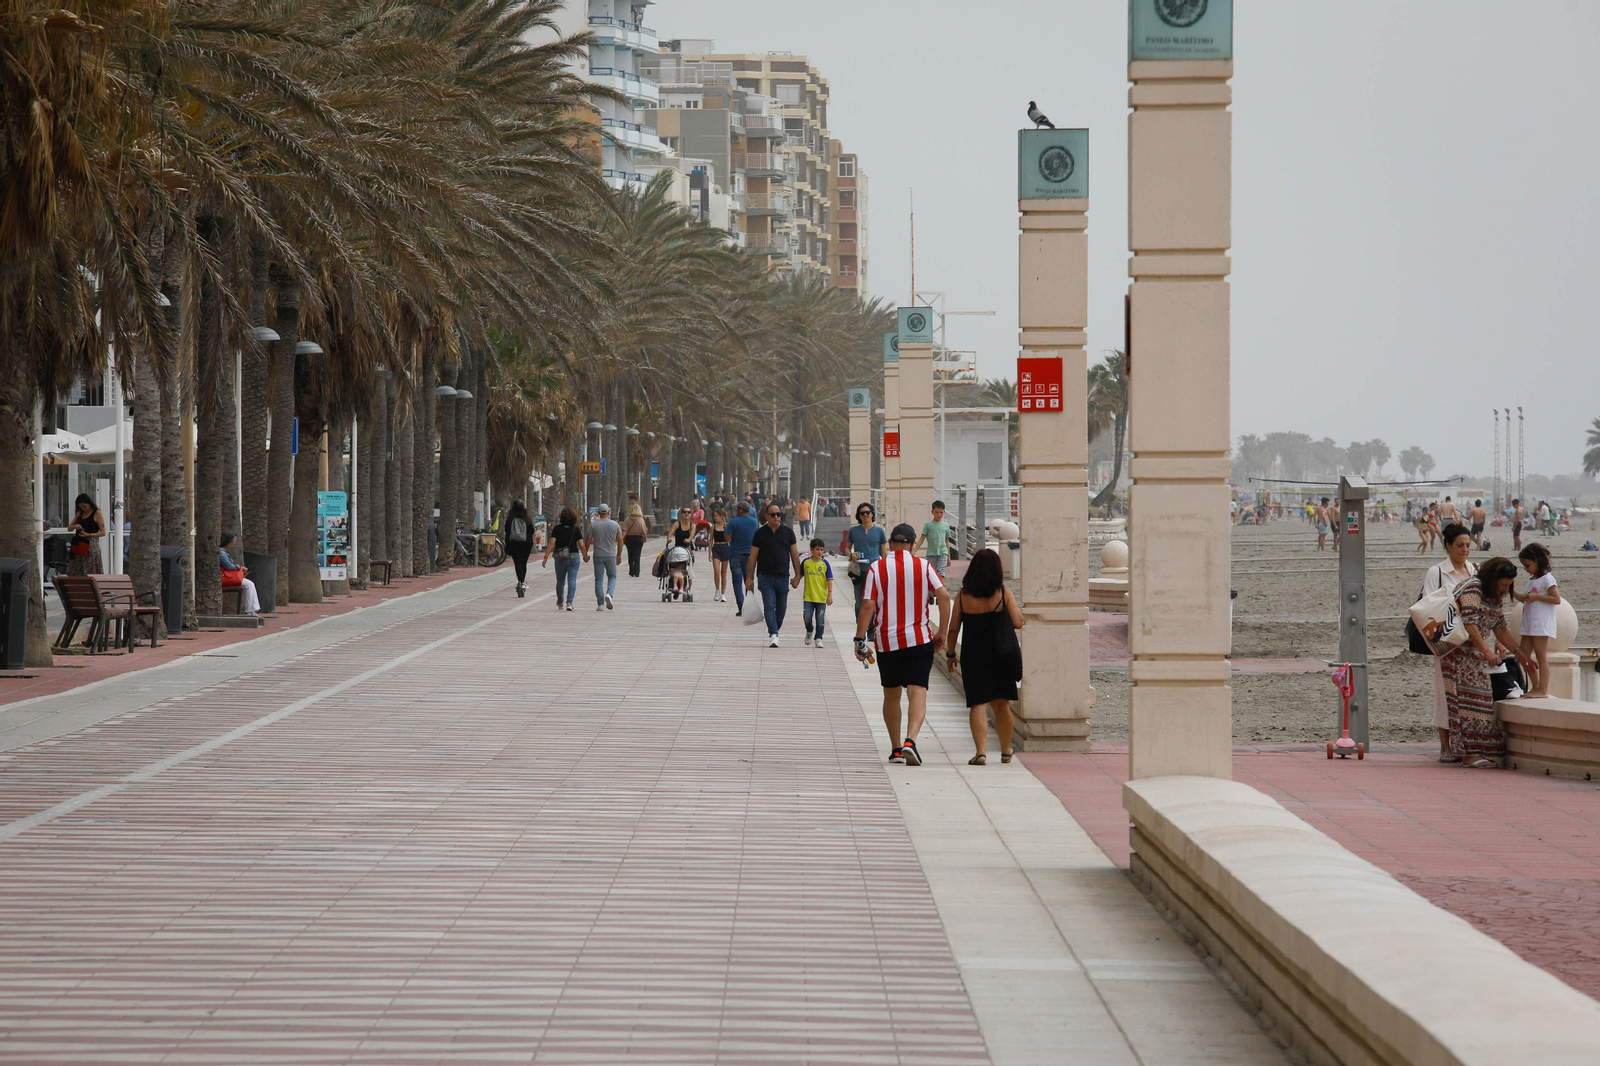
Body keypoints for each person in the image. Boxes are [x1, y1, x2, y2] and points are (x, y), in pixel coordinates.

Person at [854, 523, 951, 767]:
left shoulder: (877, 568)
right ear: (912, 544)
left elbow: (868, 605)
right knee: (917, 691)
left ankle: (896, 749)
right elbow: (944, 596)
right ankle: (911, 740)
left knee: (891, 694)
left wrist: (859, 639)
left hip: (887, 642)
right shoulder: (923, 566)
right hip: (919, 640)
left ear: (890, 543)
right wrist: (943, 632)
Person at [1441, 557, 1533, 768]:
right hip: (1459, 655)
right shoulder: (1474, 588)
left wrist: (1519, 653)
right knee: (1465, 702)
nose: (1505, 589)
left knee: (1479, 700)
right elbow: (1469, 623)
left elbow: (1499, 626)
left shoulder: (1493, 595)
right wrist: (1486, 651)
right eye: (1503, 584)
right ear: (1493, 579)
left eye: (1508, 586)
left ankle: (1475, 751)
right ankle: (1469, 753)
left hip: (1474, 655)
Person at [944, 548, 1023, 765]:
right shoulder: (1004, 593)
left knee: (978, 703)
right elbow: (1017, 622)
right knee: (1002, 704)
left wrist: (951, 654)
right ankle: (1006, 750)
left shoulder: (963, 596)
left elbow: (953, 629)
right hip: (1001, 655)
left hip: (974, 655)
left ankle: (981, 752)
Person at [1422, 524, 1476, 762]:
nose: (1465, 550)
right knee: (1444, 693)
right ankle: (1445, 745)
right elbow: (1428, 606)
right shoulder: (1437, 572)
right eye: (1460, 545)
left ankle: (1464, 743)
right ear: (1448, 546)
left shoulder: (1473, 569)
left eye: (1468, 545)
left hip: (1471, 640)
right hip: (1446, 641)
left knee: (1466, 694)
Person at [746, 501, 801, 647]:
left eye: (778, 514)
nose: (776, 517)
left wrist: (798, 575)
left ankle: (775, 629)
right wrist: (749, 578)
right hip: (765, 576)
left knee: (782, 607)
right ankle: (773, 633)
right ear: (767, 516)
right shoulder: (759, 534)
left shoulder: (788, 532)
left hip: (783, 576)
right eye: (773, 515)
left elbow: (795, 555)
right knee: (769, 605)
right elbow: (753, 556)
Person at [1514, 543, 1560, 698]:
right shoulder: (1531, 579)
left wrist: (1537, 596)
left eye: (1527, 565)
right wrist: (1511, 591)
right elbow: (1525, 599)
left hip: (1540, 623)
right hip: (1529, 622)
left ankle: (1543, 690)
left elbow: (1556, 599)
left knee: (1541, 656)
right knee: (1524, 655)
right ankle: (1536, 686)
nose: (1526, 569)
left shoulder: (1548, 579)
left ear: (1537, 561)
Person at [541, 506, 586, 610]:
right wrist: (585, 556)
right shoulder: (576, 529)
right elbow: (581, 544)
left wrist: (546, 557)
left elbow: (552, 542)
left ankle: (560, 602)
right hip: (573, 555)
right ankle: (569, 602)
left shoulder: (557, 529)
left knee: (560, 580)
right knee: (572, 579)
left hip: (560, 556)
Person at [845, 503, 887, 615]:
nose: (865, 515)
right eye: (862, 513)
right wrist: (851, 555)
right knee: (859, 602)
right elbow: (847, 548)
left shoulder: (880, 531)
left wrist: (886, 569)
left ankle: (871, 625)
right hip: (858, 571)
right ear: (859, 516)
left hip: (874, 571)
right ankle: (860, 624)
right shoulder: (854, 531)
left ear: (872, 514)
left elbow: (884, 553)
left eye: (868, 512)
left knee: (872, 601)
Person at [585, 503, 622, 610]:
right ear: (609, 512)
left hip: (598, 555)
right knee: (612, 576)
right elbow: (620, 541)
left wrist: (585, 553)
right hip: (611, 554)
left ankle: (600, 604)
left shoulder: (594, 525)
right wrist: (619, 554)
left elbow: (588, 540)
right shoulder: (615, 524)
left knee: (598, 579)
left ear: (598, 513)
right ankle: (609, 594)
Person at [726, 502, 759, 616]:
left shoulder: (733, 522)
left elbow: (727, 537)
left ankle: (741, 607)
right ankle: (750, 608)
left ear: (741, 510)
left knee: (737, 582)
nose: (736, 511)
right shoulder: (754, 522)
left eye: (737, 509)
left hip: (735, 554)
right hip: (750, 555)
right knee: (749, 581)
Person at [800, 538, 834, 648]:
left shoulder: (825, 564)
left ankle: (818, 638)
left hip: (821, 597)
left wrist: (829, 595)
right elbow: (800, 574)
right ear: (811, 550)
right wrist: (795, 581)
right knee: (807, 617)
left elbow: (830, 580)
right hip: (809, 596)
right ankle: (809, 630)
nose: (820, 552)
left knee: (820, 619)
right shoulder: (806, 563)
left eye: (822, 550)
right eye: (817, 549)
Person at [218, 532, 261, 615]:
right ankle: (250, 610)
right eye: (233, 543)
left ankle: (252, 609)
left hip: (226, 576)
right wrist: (238, 567)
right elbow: (228, 566)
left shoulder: (223, 552)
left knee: (249, 584)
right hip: (225, 577)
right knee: (249, 584)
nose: (233, 545)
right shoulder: (222, 552)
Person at [65, 493, 106, 576]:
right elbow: (69, 528)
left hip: (90, 544)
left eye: (85, 506)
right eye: (81, 507)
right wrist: (76, 520)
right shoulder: (80, 514)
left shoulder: (97, 513)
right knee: (77, 568)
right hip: (79, 544)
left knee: (90, 568)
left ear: (89, 503)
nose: (83, 509)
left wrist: (89, 535)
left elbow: (103, 532)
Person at [503, 498, 535, 597]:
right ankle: (522, 581)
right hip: (526, 544)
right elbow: (532, 531)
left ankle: (520, 581)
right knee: (524, 563)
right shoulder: (527, 519)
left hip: (514, 544)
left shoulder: (510, 519)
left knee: (517, 563)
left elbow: (507, 531)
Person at [915, 500, 953, 581]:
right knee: (931, 573)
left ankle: (941, 587)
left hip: (943, 552)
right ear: (932, 512)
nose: (939, 514)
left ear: (944, 512)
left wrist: (949, 557)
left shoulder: (946, 525)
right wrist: (914, 550)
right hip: (931, 553)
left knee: (941, 572)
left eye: (941, 512)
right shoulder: (928, 525)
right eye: (936, 512)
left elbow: (947, 541)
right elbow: (922, 539)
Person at [710, 507, 731, 602]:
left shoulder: (726, 527)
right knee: (716, 571)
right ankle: (717, 590)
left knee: (723, 572)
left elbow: (730, 539)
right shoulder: (713, 527)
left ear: (721, 516)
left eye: (716, 516)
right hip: (716, 548)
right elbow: (710, 540)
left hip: (725, 548)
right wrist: (709, 553)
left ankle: (723, 593)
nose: (715, 518)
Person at [622, 503, 649, 577]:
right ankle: (637, 571)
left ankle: (631, 570)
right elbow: (644, 530)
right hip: (638, 538)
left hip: (629, 538)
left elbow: (625, 530)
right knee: (637, 555)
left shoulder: (627, 519)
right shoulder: (641, 519)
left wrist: (621, 538)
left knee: (630, 554)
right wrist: (645, 538)